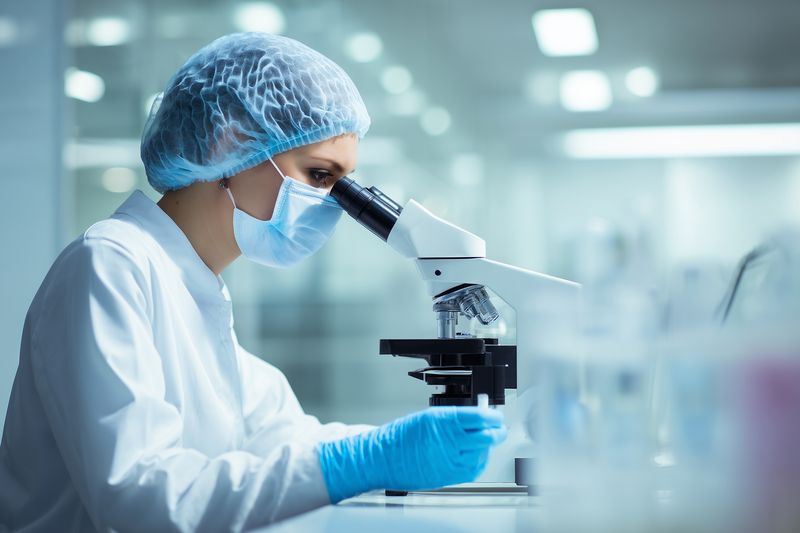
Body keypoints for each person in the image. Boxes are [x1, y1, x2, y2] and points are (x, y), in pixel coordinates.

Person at [0, 33, 506, 532]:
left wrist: (412, 447)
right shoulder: (109, 264)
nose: (332, 204)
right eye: (320, 176)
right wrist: (365, 460)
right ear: (231, 141)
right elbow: (141, 495)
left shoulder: (197, 291)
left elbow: (279, 441)